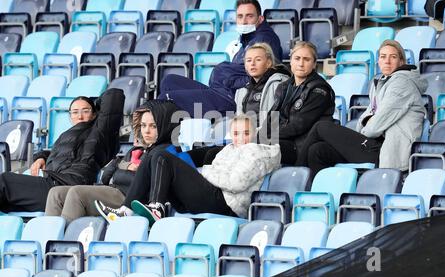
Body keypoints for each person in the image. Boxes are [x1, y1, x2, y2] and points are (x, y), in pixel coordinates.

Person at [297, 40, 427, 177]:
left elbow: (374, 126)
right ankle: (317, 191)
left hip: (386, 151)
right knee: (317, 150)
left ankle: (295, 175)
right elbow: (363, 121)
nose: (387, 61)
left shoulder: (401, 83)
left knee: (320, 127)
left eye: (393, 57)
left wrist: (365, 130)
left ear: (402, 61)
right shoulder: (282, 88)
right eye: (383, 57)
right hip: (373, 144)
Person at [127, 114, 281, 224]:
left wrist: (206, 173)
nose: (240, 138)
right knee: (151, 156)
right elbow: (221, 175)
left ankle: (156, 208)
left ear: (254, 134)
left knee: (162, 157)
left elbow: (236, 182)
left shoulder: (254, 151)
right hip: (211, 195)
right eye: (236, 133)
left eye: (246, 133)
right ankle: (126, 209)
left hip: (225, 204)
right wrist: (211, 173)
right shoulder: (228, 149)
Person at [44, 100, 182, 223]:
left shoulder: (166, 152)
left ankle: (65, 243)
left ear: (164, 127)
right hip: (113, 189)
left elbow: (150, 183)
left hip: (129, 198)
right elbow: (108, 175)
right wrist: (126, 167)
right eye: (143, 125)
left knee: (76, 193)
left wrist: (125, 170)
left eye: (153, 126)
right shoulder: (136, 150)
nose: (146, 131)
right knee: (56, 193)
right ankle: (48, 239)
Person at [0, 89, 124, 213]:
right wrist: (41, 157)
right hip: (51, 182)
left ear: (95, 114)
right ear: (70, 116)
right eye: (75, 112)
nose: (80, 116)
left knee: (4, 181)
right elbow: (57, 154)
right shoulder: (65, 135)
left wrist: (94, 102)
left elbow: (114, 95)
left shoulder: (100, 133)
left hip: (66, 186)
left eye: (85, 111)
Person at [157, 0, 283, 117]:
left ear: (260, 19)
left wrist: (227, 79)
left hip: (229, 100)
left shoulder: (265, 40)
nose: (244, 21)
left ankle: (159, 134)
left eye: (249, 16)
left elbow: (260, 77)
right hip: (219, 92)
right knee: (169, 81)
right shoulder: (247, 38)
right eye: (240, 16)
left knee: (167, 97)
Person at [260, 41, 335, 165]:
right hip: (282, 140)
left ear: (314, 64)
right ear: (291, 61)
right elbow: (271, 117)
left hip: (301, 146)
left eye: (306, 59)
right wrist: (262, 133)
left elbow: (298, 126)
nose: (301, 63)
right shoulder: (284, 86)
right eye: (297, 58)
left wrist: (268, 136)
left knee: (259, 147)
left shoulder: (319, 90)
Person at [235, 42, 291, 126]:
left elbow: (280, 120)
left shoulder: (279, 84)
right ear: (245, 66)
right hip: (250, 136)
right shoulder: (242, 91)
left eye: (258, 59)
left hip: (271, 136)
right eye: (249, 60)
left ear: (268, 63)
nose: (252, 63)